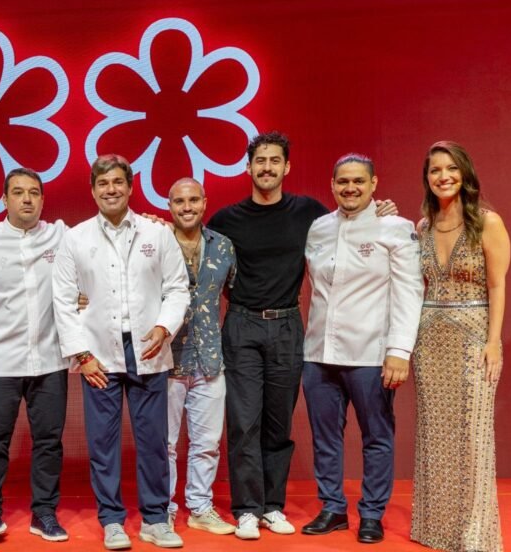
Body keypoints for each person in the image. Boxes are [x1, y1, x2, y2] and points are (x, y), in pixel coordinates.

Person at [206, 132, 396, 539]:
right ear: (248, 167)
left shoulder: (309, 213)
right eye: (260, 161)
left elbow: (350, 223)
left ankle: (272, 506)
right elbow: (192, 250)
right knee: (243, 422)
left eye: (275, 160)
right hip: (241, 325)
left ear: (286, 167)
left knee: (278, 424)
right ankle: (247, 509)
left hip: (288, 327)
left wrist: (380, 211)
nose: (267, 167)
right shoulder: (225, 220)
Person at [52, 154, 190, 550]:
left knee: (153, 441)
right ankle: (112, 520)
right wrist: (82, 355)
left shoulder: (156, 233)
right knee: (103, 444)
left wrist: (164, 327)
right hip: (98, 354)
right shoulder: (75, 238)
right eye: (103, 183)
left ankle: (154, 519)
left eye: (117, 182)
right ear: (93, 190)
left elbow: (177, 288)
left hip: (148, 349)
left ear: (130, 187)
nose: (110, 189)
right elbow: (63, 300)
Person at [300, 154, 423, 544]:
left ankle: (371, 513)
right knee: (325, 437)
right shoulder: (318, 228)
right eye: (342, 181)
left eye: (358, 181)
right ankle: (333, 508)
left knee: (377, 437)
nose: (350, 188)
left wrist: (399, 350)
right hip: (318, 353)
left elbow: (409, 292)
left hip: (371, 353)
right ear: (332, 185)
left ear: (373, 184)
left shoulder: (396, 228)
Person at [410, 141, 510, 552]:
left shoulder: (487, 223)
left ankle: (474, 534)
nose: (444, 176)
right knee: (435, 437)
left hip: (473, 339)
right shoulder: (422, 227)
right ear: (427, 178)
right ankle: (436, 529)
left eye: (451, 168)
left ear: (465, 173)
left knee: (473, 437)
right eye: (435, 170)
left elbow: (497, 285)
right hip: (430, 341)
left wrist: (494, 342)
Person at [0, 168, 70, 544]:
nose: (27, 199)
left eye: (34, 193)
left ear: (42, 199)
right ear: (4, 199)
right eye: (18, 192)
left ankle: (44, 513)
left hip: (50, 359)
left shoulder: (61, 236)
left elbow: (98, 244)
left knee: (49, 441)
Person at [164, 178, 236, 536]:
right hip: (164, 360)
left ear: (205, 203)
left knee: (207, 444)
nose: (187, 207)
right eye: (179, 201)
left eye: (193, 200)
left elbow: (236, 293)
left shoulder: (223, 245)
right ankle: (161, 509)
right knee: (163, 445)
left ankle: (200, 507)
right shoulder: (156, 242)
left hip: (210, 359)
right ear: (169, 206)